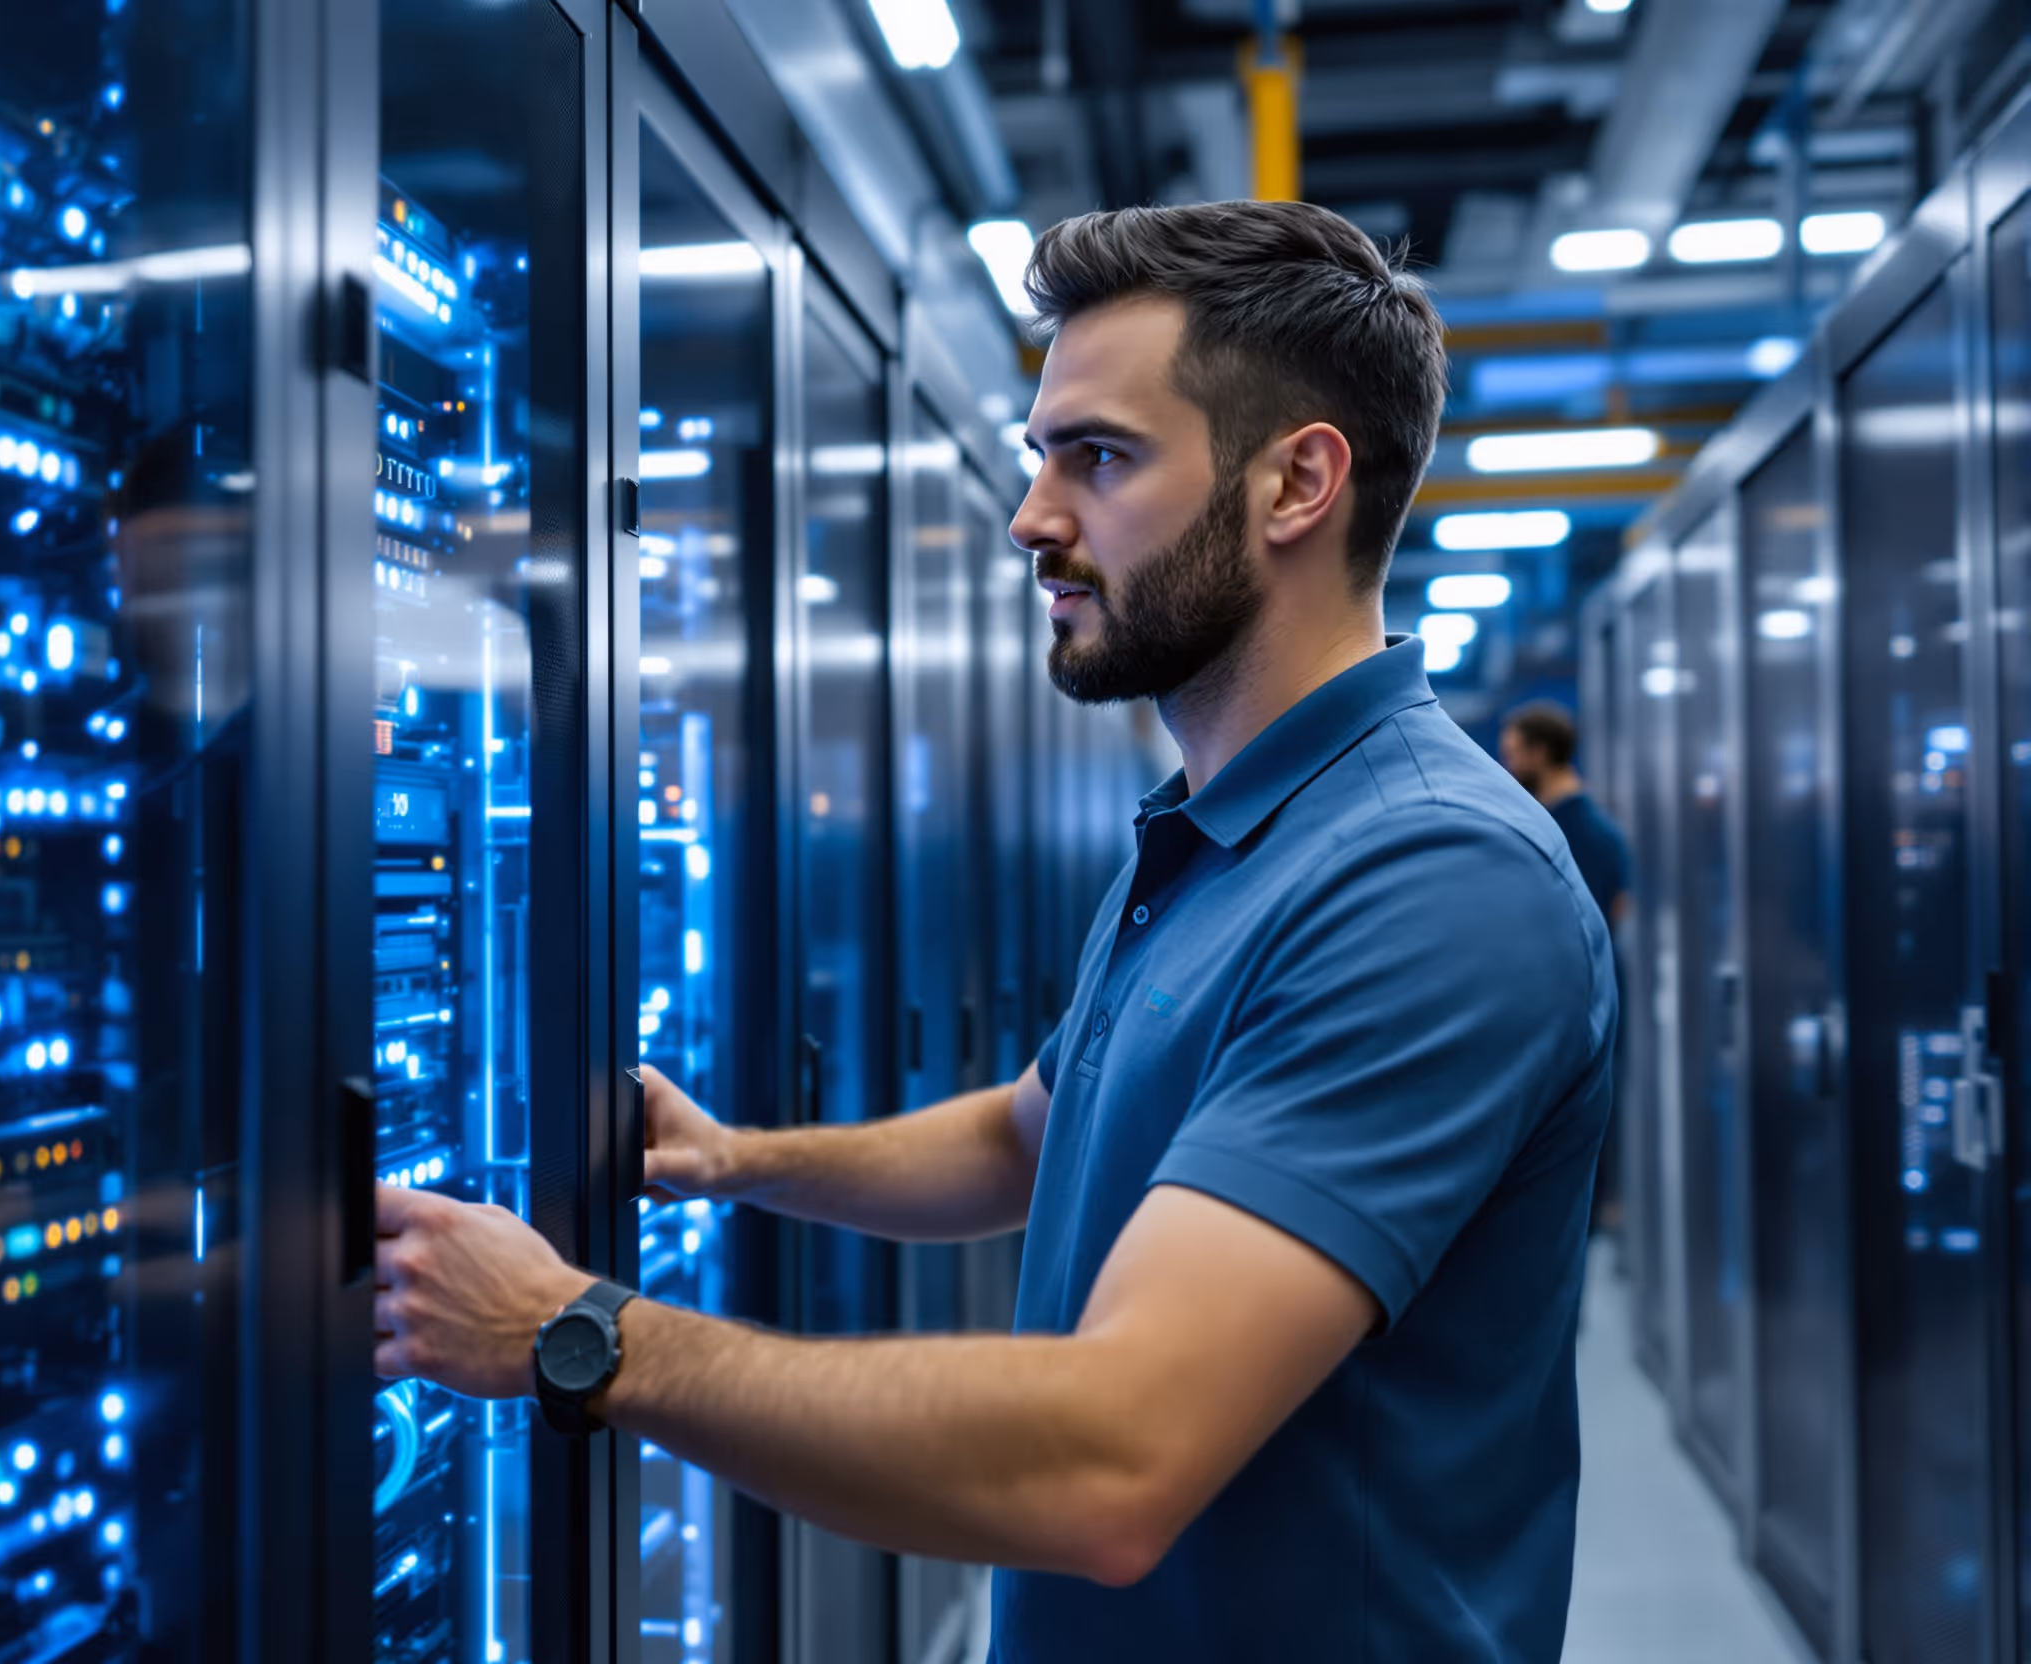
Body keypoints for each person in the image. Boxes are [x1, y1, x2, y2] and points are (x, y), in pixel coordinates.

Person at [371, 200, 1616, 1662]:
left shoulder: (1430, 881)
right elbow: (1033, 1137)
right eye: (1041, 458)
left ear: (1298, 483)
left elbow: (1113, 1461)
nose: (1033, 516)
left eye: (1098, 456)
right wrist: (733, 1163)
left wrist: (575, 1334)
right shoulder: (1219, 830)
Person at [1500, 700, 1633, 1231]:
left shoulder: (1578, 832)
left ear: (1542, 753)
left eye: (1514, 754)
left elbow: (1612, 913)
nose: (1508, 767)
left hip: (1570, 1009)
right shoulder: (1578, 827)